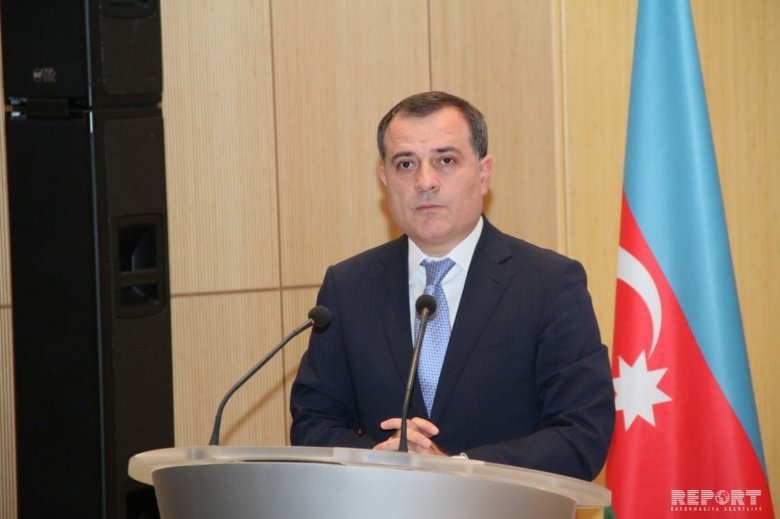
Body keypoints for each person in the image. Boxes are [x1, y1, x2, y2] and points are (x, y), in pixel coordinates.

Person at [290, 91, 614, 481]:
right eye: (406, 164)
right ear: (384, 178)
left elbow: (581, 434)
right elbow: (313, 422)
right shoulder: (348, 288)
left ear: (483, 172)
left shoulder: (550, 284)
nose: (425, 182)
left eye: (446, 160)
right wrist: (379, 461)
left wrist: (458, 468)